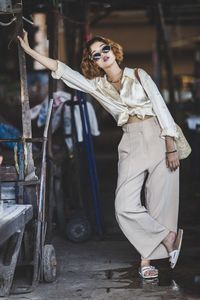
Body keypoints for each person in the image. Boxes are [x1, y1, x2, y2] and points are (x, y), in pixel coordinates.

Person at [18, 31, 183, 279]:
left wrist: (171, 146)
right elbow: (63, 70)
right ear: (93, 62)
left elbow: (161, 107)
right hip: (130, 140)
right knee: (124, 206)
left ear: (113, 50)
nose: (102, 55)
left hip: (158, 136)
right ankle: (168, 237)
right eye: (96, 54)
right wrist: (30, 52)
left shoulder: (138, 75)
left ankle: (146, 261)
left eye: (104, 49)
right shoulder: (98, 87)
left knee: (158, 202)